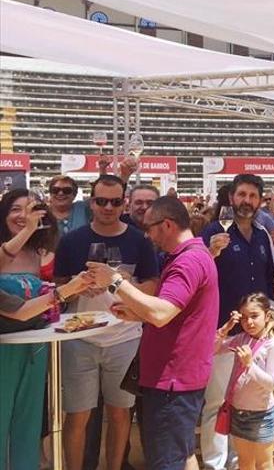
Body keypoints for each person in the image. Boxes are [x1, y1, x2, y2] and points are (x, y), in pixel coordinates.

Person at [86, 196, 219, 470]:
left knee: (167, 461)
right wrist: (135, 312)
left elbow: (160, 314)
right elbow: (173, 314)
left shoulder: (187, 261)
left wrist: (115, 280)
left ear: (167, 225)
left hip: (173, 380)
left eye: (150, 228)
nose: (147, 235)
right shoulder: (192, 256)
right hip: (179, 377)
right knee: (182, 456)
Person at [53, 175, 159, 470]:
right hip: (79, 337)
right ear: (92, 203)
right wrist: (77, 286)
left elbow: (153, 284)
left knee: (120, 413)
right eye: (101, 201)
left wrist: (128, 285)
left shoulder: (138, 240)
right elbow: (58, 285)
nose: (108, 207)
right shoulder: (73, 241)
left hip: (124, 337)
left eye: (115, 201)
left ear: (124, 203)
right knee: (76, 416)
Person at [200, 174, 274, 470]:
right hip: (224, 331)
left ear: (259, 200)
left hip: (255, 334)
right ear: (231, 198)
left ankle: (236, 460)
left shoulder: (261, 235)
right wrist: (212, 252)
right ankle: (214, 462)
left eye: (252, 196)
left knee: (244, 401)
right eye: (242, 195)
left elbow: (270, 281)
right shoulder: (212, 232)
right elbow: (198, 275)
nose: (247, 201)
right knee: (217, 401)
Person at [0, 191, 63, 470]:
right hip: (4, 347)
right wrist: (26, 231)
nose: (23, 215)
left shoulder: (39, 251)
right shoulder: (8, 247)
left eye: (30, 209)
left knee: (29, 416)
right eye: (15, 209)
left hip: (35, 344)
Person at [214, 293, 274, 470]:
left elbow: (271, 384)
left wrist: (250, 365)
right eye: (244, 318)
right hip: (238, 412)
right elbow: (213, 349)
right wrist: (226, 328)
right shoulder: (242, 338)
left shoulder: (273, 345)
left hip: (262, 415)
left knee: (264, 464)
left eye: (254, 316)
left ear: (267, 316)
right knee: (244, 462)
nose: (249, 322)